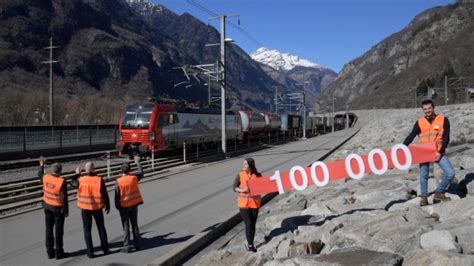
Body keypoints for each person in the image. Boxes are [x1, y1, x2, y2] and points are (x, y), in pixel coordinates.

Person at [403, 99, 455, 206]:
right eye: (425, 109)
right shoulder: (419, 122)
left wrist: (440, 152)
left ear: (433, 107)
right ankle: (424, 198)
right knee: (423, 176)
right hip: (423, 152)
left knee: (450, 173)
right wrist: (401, 148)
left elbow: (446, 138)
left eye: (429, 108)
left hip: (438, 151)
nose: (427, 111)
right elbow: (411, 136)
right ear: (422, 110)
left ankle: (439, 192)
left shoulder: (443, 120)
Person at [72, 162, 110, 258]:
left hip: (85, 208)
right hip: (97, 207)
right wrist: (108, 205)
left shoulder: (81, 180)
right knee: (101, 228)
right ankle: (105, 249)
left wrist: (77, 174)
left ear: (85, 170)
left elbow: (72, 183)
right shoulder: (99, 180)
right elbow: (105, 194)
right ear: (94, 169)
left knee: (87, 230)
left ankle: (90, 252)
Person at [38, 157, 70, 260]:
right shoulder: (61, 181)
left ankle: (50, 253)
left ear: (52, 170)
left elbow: (39, 174)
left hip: (47, 207)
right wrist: (66, 210)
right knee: (58, 231)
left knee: (48, 230)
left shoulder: (45, 177)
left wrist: (41, 166)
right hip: (57, 210)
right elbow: (63, 197)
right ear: (60, 171)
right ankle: (59, 253)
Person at [115, 156, 144, 253]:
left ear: (121, 171)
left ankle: (126, 246)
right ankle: (138, 245)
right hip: (134, 205)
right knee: (134, 225)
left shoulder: (118, 181)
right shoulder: (134, 178)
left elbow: (117, 196)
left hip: (124, 207)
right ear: (130, 170)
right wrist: (138, 163)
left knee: (125, 226)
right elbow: (141, 173)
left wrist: (117, 207)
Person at [232, 158, 262, 252]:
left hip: (254, 204)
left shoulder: (258, 175)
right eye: (243, 164)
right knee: (248, 224)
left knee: (252, 225)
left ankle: (251, 243)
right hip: (243, 205)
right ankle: (250, 246)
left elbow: (262, 187)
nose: (243, 166)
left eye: (245, 164)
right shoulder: (240, 175)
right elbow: (234, 187)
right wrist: (243, 190)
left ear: (250, 165)